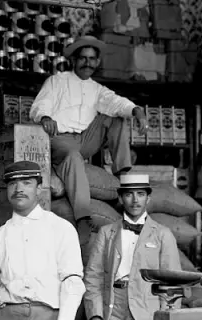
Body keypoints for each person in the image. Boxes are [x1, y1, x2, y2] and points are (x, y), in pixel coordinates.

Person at [30, 35, 148, 245]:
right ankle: (83, 217)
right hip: (60, 139)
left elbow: (115, 102)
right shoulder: (57, 81)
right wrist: (45, 117)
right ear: (73, 60)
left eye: (92, 59)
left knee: (116, 116)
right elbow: (41, 104)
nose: (88, 63)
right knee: (73, 157)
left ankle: (123, 174)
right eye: (83, 58)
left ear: (98, 62)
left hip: (85, 140)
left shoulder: (97, 89)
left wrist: (136, 110)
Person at [0, 161, 84, 320]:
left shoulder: (61, 229)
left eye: (27, 183)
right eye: (12, 184)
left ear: (39, 189)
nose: (19, 189)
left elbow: (72, 281)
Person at [83, 173, 180, 320]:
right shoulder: (106, 232)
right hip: (112, 305)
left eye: (140, 194)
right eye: (129, 194)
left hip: (146, 306)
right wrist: (95, 314)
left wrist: (166, 319)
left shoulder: (162, 234)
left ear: (148, 198)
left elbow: (172, 281)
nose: (135, 200)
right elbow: (93, 276)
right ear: (120, 198)